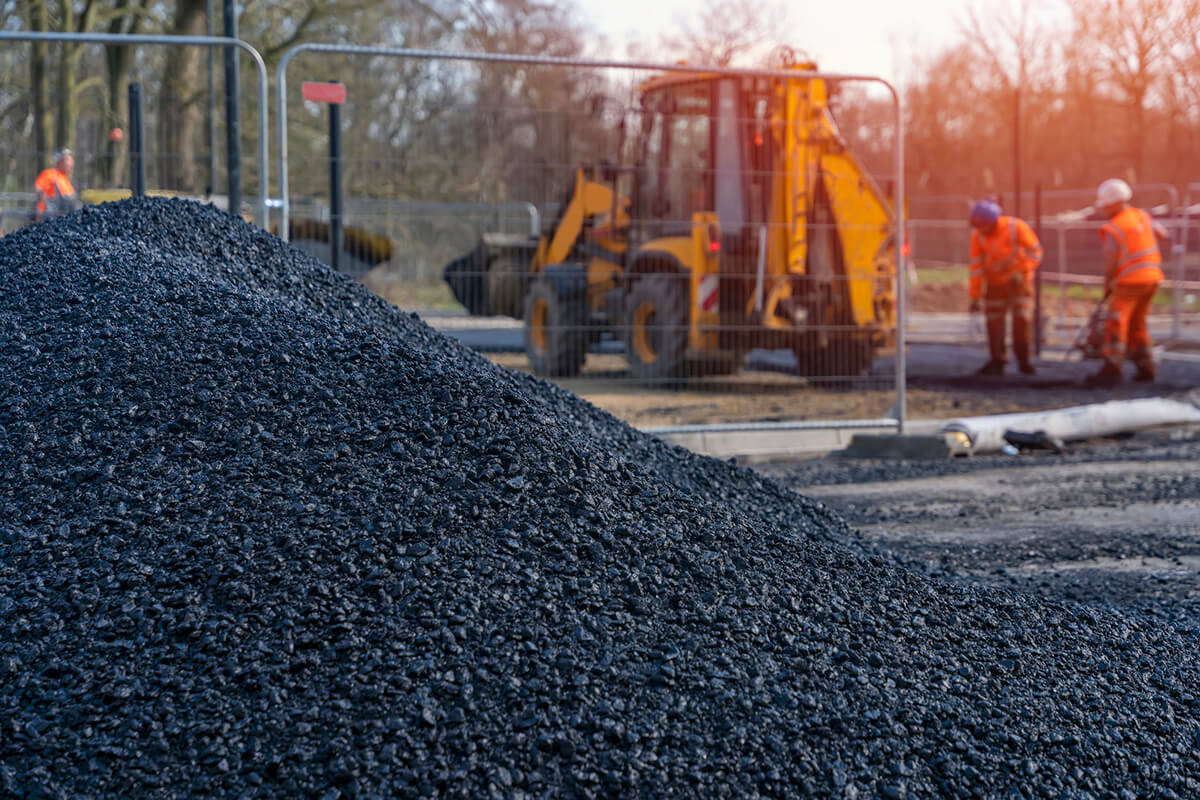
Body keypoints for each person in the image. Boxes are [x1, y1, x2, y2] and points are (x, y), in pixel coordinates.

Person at [1086, 178, 1166, 386]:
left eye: (1105, 206)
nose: (1104, 210)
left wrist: (1107, 285)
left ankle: (1112, 368)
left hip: (1130, 281)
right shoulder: (1143, 216)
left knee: (1115, 322)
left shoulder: (1114, 227)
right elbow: (1162, 234)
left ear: (1113, 203)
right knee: (1137, 324)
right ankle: (1146, 366)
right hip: (1152, 278)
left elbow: (1111, 261)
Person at [967, 198, 1044, 376]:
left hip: (1020, 282)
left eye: (982, 225)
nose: (980, 229)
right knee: (994, 322)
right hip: (995, 284)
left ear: (993, 221)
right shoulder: (978, 236)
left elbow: (1036, 252)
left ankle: (1024, 361)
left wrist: (1021, 269)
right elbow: (976, 268)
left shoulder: (1015, 227)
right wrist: (975, 295)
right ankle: (997, 361)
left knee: (1022, 320)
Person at [34, 147, 81, 222]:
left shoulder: (67, 181)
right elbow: (38, 190)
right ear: (59, 162)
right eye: (68, 160)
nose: (71, 163)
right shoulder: (49, 174)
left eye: (72, 160)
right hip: (49, 220)